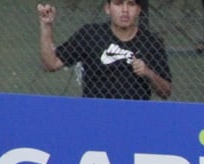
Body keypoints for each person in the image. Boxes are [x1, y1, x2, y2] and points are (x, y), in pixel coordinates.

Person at [37, 0, 172, 100]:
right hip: (94, 113)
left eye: (131, 4)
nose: (125, 10)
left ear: (138, 10)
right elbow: (51, 64)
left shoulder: (151, 42)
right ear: (108, 8)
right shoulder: (90, 34)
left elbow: (166, 92)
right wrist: (46, 25)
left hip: (135, 116)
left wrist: (148, 72)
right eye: (118, 3)